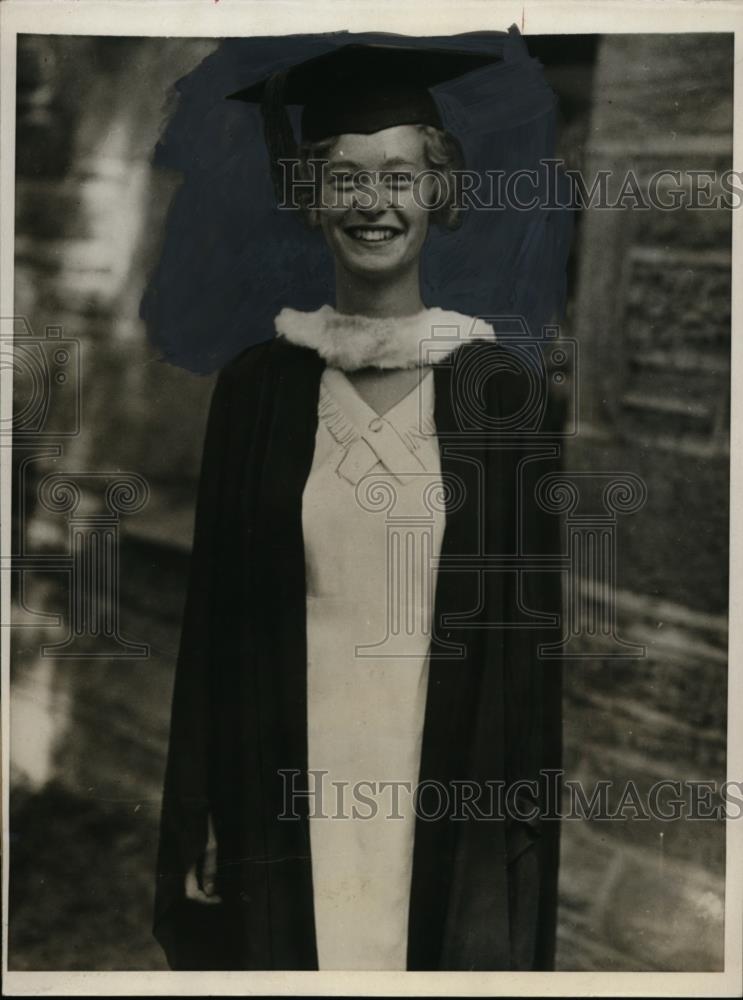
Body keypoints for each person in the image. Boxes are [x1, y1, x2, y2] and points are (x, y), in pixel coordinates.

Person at [154, 31, 567, 972]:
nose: (371, 203)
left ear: (439, 192)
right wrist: (208, 808)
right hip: (285, 775)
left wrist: (513, 842)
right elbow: (216, 630)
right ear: (309, 197)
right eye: (344, 177)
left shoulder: (499, 395)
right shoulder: (259, 390)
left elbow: (523, 653)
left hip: (443, 778)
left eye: (398, 176)